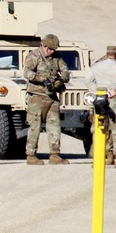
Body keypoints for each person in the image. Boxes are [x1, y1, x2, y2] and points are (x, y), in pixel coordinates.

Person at [23, 33, 71, 165]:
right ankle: (31, 155)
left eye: (54, 49)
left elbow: (65, 70)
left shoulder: (56, 57)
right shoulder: (34, 56)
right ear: (43, 46)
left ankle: (54, 154)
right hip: (37, 97)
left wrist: (61, 80)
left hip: (52, 97)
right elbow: (27, 73)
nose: (51, 52)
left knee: (54, 126)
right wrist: (43, 79)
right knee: (35, 126)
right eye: (49, 49)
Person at [85, 45, 116, 168]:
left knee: (99, 129)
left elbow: (88, 80)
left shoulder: (97, 66)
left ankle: (97, 159)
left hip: (99, 100)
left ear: (107, 53)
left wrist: (97, 91)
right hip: (114, 100)